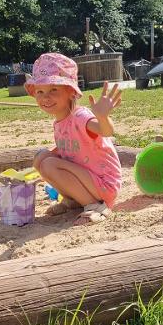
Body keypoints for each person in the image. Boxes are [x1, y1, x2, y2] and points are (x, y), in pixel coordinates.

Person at [24, 53, 122, 225]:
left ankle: (95, 206)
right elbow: (69, 150)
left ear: (71, 92)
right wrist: (47, 157)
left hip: (103, 183)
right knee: (41, 158)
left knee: (48, 163)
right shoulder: (59, 122)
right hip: (87, 179)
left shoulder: (81, 116)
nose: (45, 97)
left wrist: (102, 117)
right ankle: (73, 200)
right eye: (40, 91)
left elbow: (105, 131)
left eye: (53, 89)